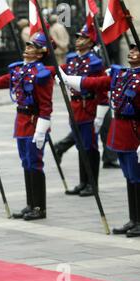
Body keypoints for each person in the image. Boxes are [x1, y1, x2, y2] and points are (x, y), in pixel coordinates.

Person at [0, 32, 54, 221]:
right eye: (28, 45)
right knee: (26, 163)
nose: (27, 48)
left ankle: (39, 207)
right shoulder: (19, 70)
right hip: (21, 122)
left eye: (32, 46)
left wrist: (41, 130)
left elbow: (46, 105)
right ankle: (30, 204)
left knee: (35, 164)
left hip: (34, 123)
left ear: (41, 52)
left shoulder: (42, 74)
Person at [59, 43, 140, 237]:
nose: (131, 52)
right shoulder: (122, 74)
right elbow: (96, 83)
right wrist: (69, 79)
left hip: (135, 132)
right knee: (130, 177)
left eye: (137, 50)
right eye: (131, 49)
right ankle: (134, 219)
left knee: (137, 178)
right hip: (121, 132)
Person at [58, 24, 108, 197]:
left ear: (90, 41)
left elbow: (102, 89)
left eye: (82, 38)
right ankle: (83, 181)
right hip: (75, 107)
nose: (78, 40)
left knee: (90, 147)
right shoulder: (72, 59)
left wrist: (100, 115)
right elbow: (60, 71)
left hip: (88, 107)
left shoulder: (95, 63)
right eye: (77, 37)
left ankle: (92, 184)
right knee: (80, 146)